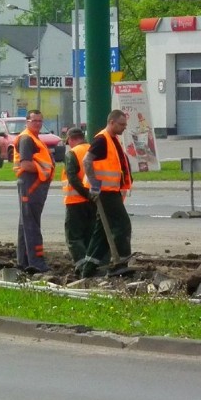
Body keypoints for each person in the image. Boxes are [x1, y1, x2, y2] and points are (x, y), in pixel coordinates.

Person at [78, 109, 133, 279]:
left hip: (110, 191)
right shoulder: (102, 139)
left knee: (102, 232)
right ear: (111, 122)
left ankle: (88, 269)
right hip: (105, 193)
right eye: (121, 124)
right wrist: (95, 185)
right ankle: (120, 264)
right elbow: (87, 160)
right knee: (122, 225)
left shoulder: (112, 140)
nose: (124, 128)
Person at [13, 109, 55, 273]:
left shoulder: (35, 138)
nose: (37, 123)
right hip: (31, 183)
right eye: (34, 120)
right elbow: (25, 164)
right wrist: (43, 171)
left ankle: (23, 261)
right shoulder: (26, 139)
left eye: (40, 121)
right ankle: (36, 262)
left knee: (26, 222)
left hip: (34, 183)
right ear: (27, 122)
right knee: (31, 223)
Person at [60, 127, 96, 268]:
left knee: (74, 237)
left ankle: (82, 266)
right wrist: (91, 195)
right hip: (92, 201)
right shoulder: (93, 149)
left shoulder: (72, 153)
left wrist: (85, 194)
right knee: (90, 234)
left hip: (75, 201)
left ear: (71, 139)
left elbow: (73, 179)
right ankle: (92, 264)